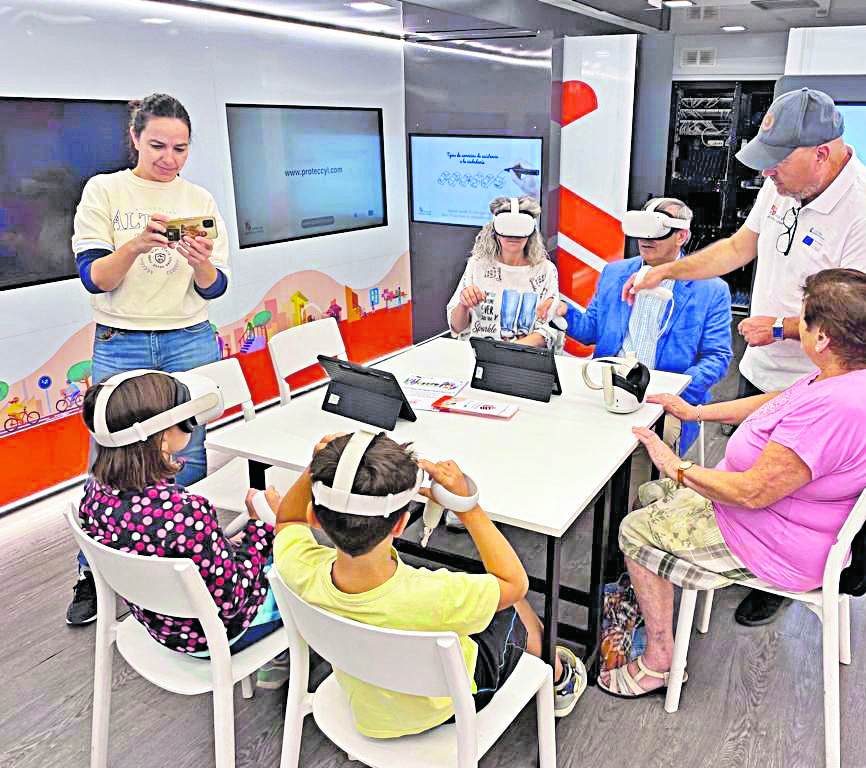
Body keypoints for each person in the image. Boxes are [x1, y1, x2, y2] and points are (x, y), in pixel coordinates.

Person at [625, 88, 866, 625]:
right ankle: (738, 550)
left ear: (821, 152)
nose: (767, 176)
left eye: (777, 162)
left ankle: (768, 577)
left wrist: (781, 326)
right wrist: (668, 270)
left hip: (811, 389)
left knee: (774, 487)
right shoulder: (782, 187)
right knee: (756, 467)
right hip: (776, 380)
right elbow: (738, 248)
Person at [599, 269, 866, 697]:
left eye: (804, 321)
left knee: (634, 526)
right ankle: (647, 606)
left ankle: (660, 660)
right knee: (649, 496)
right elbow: (780, 401)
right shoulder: (861, 373)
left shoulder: (836, 410)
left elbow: (752, 493)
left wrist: (675, 466)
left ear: (823, 339)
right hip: (797, 520)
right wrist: (696, 412)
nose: (796, 325)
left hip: (774, 539)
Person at [272, 430, 588, 736]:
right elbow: (513, 582)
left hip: (367, 705)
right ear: (400, 524)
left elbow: (287, 520)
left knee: (485, 600)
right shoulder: (436, 594)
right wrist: (468, 506)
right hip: (449, 706)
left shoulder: (299, 568)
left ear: (314, 517)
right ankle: (560, 677)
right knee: (509, 605)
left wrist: (316, 468)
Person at [67, 93, 230, 626]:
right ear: (134, 138)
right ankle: (97, 572)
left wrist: (202, 264)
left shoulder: (199, 197)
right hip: (124, 339)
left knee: (193, 447)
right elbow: (95, 277)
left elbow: (215, 288)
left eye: (180, 147)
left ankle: (185, 563)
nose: (169, 157)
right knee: (113, 452)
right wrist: (137, 245)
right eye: (158, 144)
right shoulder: (104, 191)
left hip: (189, 336)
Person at [76, 372, 280, 659]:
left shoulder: (95, 491)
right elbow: (233, 598)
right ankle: (286, 667)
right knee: (304, 573)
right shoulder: (188, 513)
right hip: (215, 635)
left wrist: (230, 543)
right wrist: (262, 525)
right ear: (161, 438)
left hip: (158, 625)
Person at [543, 197, 732, 452]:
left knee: (648, 455)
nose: (646, 240)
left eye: (656, 233)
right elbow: (591, 331)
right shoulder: (615, 273)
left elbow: (716, 356)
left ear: (681, 236)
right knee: (558, 428)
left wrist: (675, 390)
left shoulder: (710, 289)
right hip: (607, 386)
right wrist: (563, 313)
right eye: (642, 232)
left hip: (663, 399)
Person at [447, 195, 558, 348]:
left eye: (520, 228)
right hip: (475, 357)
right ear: (494, 231)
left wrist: (506, 352)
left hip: (523, 361)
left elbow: (549, 330)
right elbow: (457, 327)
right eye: (507, 228)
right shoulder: (478, 265)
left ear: (531, 231)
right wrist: (464, 305)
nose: (513, 235)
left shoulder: (545, 271)